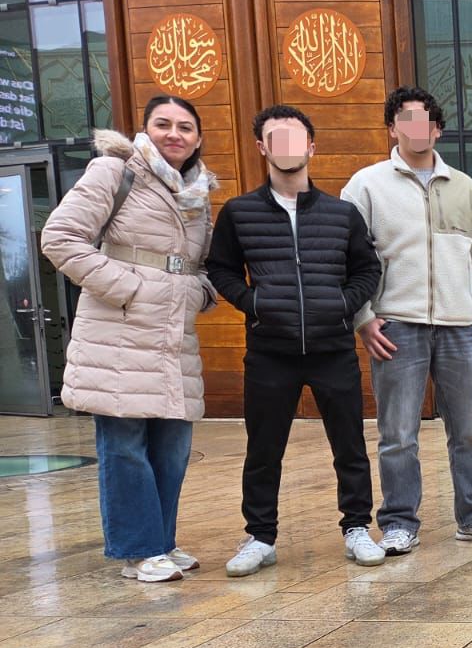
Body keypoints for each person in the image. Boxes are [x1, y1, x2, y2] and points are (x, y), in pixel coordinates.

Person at [41, 96, 217, 583]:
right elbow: (60, 237)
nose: (174, 133)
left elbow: (202, 263)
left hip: (173, 337)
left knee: (172, 447)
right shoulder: (114, 172)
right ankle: (138, 550)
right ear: (144, 131)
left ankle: (162, 541)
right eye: (163, 124)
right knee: (125, 446)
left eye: (185, 127)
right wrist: (128, 287)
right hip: (117, 332)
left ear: (198, 139)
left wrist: (200, 292)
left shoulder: (197, 192)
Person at [208, 105, 385, 575]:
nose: (287, 147)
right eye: (275, 138)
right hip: (270, 351)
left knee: (350, 446)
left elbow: (368, 269)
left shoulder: (342, 214)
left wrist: (343, 304)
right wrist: (254, 302)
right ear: (262, 148)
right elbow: (221, 269)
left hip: (333, 349)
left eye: (295, 138)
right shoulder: (239, 212)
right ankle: (260, 536)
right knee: (263, 450)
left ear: (311, 146)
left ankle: (356, 527)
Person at [343, 86, 472, 555]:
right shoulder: (365, 187)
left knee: (470, 432)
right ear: (392, 128)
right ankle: (399, 522)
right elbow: (348, 258)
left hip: (461, 326)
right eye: (407, 119)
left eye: (426, 120)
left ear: (437, 129)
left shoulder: (466, 189)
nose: (418, 128)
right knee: (398, 435)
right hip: (396, 325)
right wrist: (363, 317)